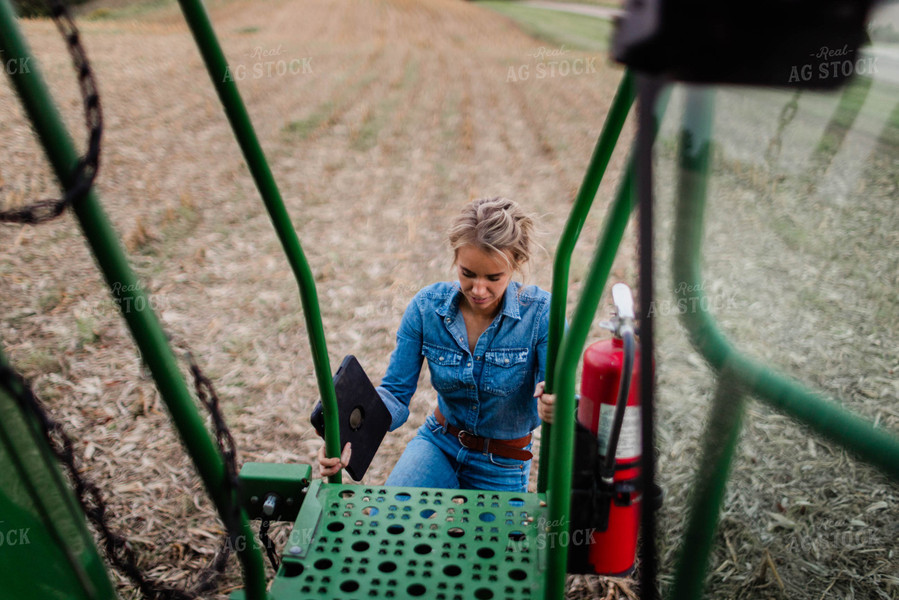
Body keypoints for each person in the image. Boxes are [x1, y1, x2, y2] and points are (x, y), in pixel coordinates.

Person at [319, 197, 557, 492]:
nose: (478, 289)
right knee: (387, 525)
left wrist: (555, 405)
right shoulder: (426, 308)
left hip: (503, 461)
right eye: (467, 274)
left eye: (493, 277)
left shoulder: (542, 314)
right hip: (439, 443)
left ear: (517, 264)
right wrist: (346, 440)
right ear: (456, 259)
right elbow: (395, 392)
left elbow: (556, 393)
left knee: (492, 540)